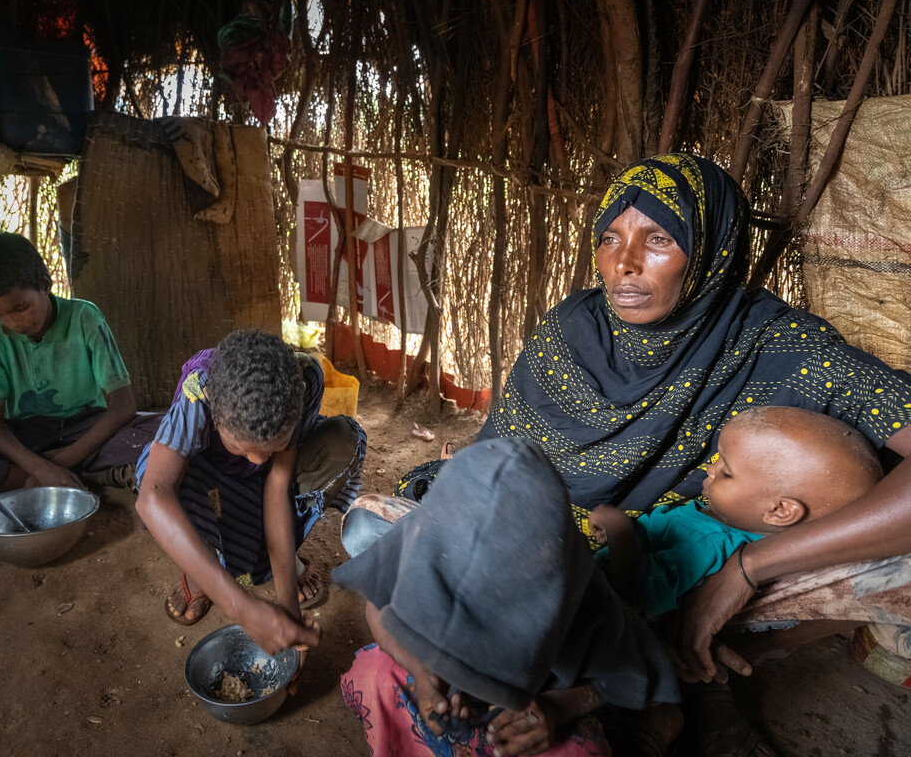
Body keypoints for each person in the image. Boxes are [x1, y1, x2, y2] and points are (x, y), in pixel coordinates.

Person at [391, 153, 911, 756]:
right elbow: (502, 464)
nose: (624, 264)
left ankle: (692, 668)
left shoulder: (781, 347)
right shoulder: (570, 335)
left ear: (710, 251)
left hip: (711, 550)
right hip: (560, 545)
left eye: (658, 238)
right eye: (610, 237)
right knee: (388, 537)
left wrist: (745, 573)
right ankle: (669, 676)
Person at [336, 438, 680, 757]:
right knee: (375, 672)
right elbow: (377, 609)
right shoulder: (423, 536)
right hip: (437, 688)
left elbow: (620, 673)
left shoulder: (576, 590)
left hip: (532, 707)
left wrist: (558, 708)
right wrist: (423, 672)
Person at [135, 329, 366, 652]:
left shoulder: (300, 383)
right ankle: (203, 569)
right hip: (209, 482)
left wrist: (290, 615)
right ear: (215, 411)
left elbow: (276, 486)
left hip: (261, 489)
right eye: (239, 446)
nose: (258, 459)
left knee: (343, 441)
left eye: (274, 446)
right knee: (153, 469)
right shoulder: (200, 392)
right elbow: (153, 497)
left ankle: (277, 563)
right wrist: (243, 609)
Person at [0, 232, 156, 500]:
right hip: (22, 437)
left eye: (20, 308)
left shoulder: (84, 317)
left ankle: (32, 478)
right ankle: (88, 475)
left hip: (86, 428)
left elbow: (123, 406)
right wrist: (41, 467)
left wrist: (58, 462)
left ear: (45, 284)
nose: (13, 323)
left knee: (171, 430)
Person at [589, 406, 882, 620]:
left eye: (726, 472)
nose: (710, 469)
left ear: (779, 510)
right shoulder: (716, 518)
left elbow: (634, 597)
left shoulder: (709, 543)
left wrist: (621, 535)